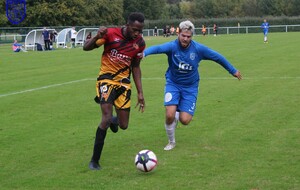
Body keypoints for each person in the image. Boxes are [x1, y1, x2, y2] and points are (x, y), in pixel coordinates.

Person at [143, 20, 242, 151]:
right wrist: (144, 53)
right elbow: (157, 48)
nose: (185, 39)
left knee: (185, 120)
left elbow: (217, 57)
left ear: (192, 36)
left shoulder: (198, 49)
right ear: (178, 33)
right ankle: (171, 142)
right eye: (183, 35)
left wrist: (232, 70)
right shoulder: (172, 47)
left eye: (188, 36)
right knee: (169, 114)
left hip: (190, 87)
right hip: (173, 84)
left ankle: (177, 116)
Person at [83, 12, 146, 170]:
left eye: (140, 30)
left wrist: (140, 93)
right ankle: (94, 161)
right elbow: (86, 48)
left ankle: (112, 118)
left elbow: (136, 67)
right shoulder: (110, 34)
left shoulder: (140, 42)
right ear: (127, 24)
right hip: (106, 79)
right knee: (105, 117)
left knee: (124, 125)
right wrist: (97, 35)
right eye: (134, 29)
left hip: (124, 84)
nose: (137, 33)